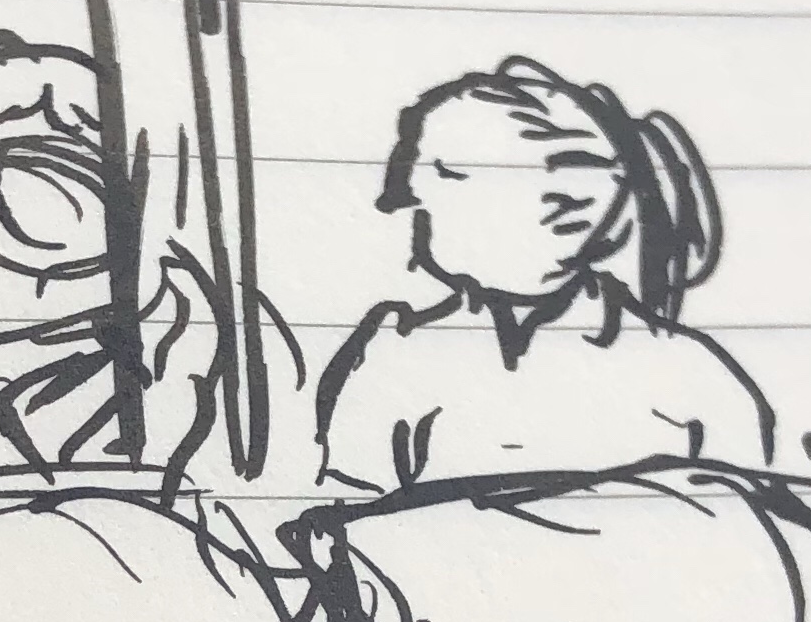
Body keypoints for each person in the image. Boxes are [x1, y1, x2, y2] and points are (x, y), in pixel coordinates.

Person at [314, 58, 773, 493]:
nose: (402, 195)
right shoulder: (396, 353)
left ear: (565, 209)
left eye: (446, 173)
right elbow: (340, 509)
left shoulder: (690, 375)